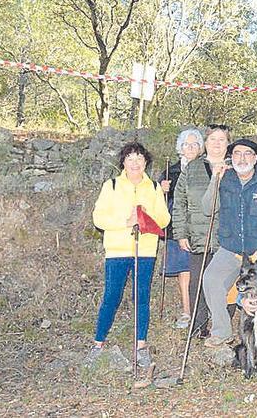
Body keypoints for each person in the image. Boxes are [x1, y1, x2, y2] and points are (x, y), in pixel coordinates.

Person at [87, 142, 170, 369]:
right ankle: (98, 343)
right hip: (117, 250)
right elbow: (99, 218)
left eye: (140, 158)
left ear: (146, 162)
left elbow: (164, 218)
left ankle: (141, 346)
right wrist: (125, 223)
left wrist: (145, 219)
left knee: (141, 297)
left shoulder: (153, 188)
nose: (135, 163)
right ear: (123, 161)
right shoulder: (111, 185)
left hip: (144, 251)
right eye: (130, 158)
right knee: (111, 297)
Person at [201, 138, 257, 348]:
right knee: (211, 279)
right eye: (237, 154)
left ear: (255, 158)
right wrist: (215, 180)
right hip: (230, 248)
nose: (242, 158)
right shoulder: (225, 178)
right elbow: (207, 209)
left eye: (248, 154)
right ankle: (222, 331)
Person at [179, 124, 231, 336]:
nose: (217, 144)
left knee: (223, 282)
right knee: (197, 282)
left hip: (225, 237)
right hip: (197, 235)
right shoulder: (192, 168)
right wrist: (181, 233)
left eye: (222, 140)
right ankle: (198, 324)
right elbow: (180, 202)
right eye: (213, 139)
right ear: (205, 143)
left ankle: (223, 324)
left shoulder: (236, 168)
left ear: (228, 144)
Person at [158, 128, 207, 330]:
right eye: (186, 144)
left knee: (203, 271)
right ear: (180, 148)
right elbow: (158, 205)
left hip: (202, 228)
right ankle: (187, 312)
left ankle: (203, 311)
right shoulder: (171, 172)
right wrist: (162, 191)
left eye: (195, 144)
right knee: (184, 272)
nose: (190, 148)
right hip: (177, 229)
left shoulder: (207, 168)